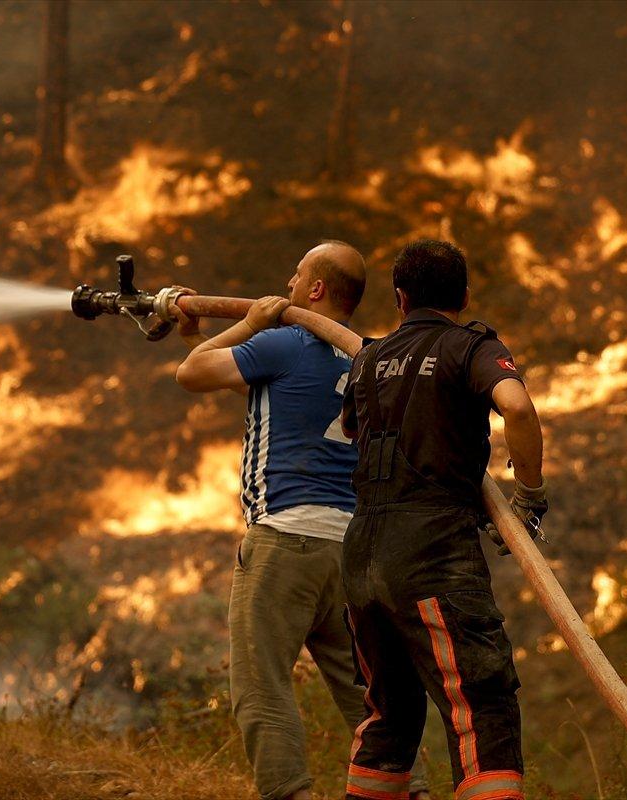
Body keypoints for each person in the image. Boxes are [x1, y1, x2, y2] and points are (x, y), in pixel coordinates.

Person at [172, 241, 430, 800]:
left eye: (296, 276)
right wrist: (194, 329)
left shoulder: (283, 341)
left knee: (260, 690)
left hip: (285, 545)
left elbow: (190, 375)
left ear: (315, 290)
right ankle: (414, 794)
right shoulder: (371, 362)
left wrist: (252, 323)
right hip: (350, 557)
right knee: (370, 700)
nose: (287, 283)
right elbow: (242, 382)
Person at [338, 239, 546, 800]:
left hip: (361, 558)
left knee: (389, 715)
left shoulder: (368, 358)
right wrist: (529, 494)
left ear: (400, 299)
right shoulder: (469, 345)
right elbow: (518, 407)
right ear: (466, 295)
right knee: (481, 706)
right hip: (433, 558)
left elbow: (355, 432)